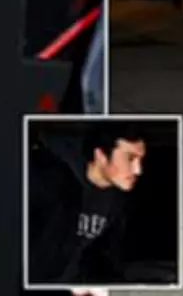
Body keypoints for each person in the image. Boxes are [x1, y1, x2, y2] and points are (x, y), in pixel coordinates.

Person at [26, 123, 145, 288]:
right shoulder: (47, 179)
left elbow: (105, 255)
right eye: (130, 158)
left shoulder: (117, 201)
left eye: (140, 160)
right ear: (101, 156)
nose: (138, 170)